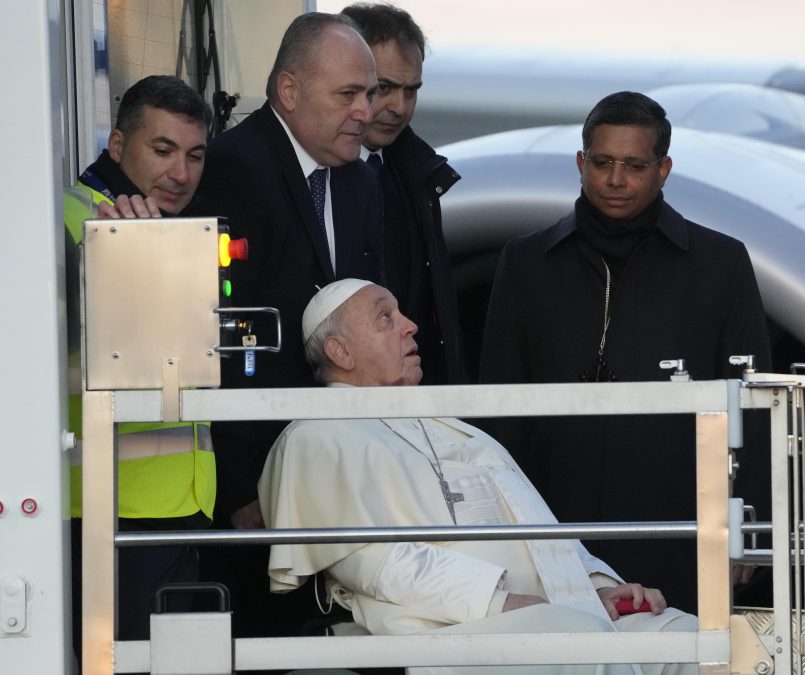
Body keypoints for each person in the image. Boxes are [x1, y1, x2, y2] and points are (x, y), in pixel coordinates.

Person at [259, 279, 697, 675]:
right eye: (385, 318)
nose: (411, 326)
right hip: (444, 626)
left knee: (694, 642)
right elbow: (373, 564)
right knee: (584, 646)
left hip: (549, 610)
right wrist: (497, 600)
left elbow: (533, 525)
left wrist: (596, 588)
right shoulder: (317, 436)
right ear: (340, 352)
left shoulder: (448, 423)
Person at [478, 92, 772, 613]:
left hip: (682, 525)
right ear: (580, 162)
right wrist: (498, 526)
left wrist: (745, 521)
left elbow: (753, 401)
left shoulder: (721, 264)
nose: (616, 180)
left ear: (663, 170)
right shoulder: (525, 262)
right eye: (602, 163)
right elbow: (500, 403)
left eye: (634, 166)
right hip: (553, 527)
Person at [195, 11, 383, 635]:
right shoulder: (231, 169)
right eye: (348, 94)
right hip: (258, 485)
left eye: (371, 92)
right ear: (290, 91)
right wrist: (247, 488)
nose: (365, 110)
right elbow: (226, 342)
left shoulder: (360, 179)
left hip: (336, 471)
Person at [63, 74, 215, 648]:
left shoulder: (149, 224)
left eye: (195, 155)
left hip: (164, 505)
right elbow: (150, 351)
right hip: (114, 509)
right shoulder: (88, 222)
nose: (181, 173)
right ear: (117, 146)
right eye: (163, 150)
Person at [340, 3, 467, 385]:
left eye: (411, 91)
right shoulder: (315, 178)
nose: (399, 107)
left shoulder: (418, 175)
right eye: (384, 89)